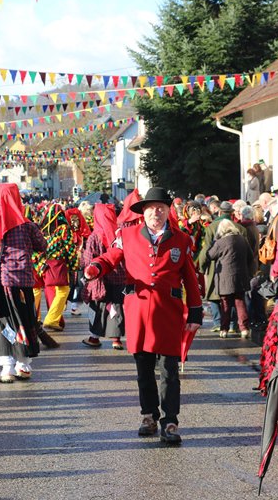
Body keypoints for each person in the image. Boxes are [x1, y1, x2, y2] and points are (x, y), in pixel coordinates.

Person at [84, 186, 202, 445]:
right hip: (138, 310)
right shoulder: (126, 235)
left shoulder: (181, 240)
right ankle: (148, 415)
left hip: (168, 313)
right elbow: (111, 257)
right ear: (143, 212)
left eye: (161, 208)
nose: (156, 213)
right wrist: (95, 267)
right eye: (151, 209)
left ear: (168, 211)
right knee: (143, 369)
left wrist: (195, 311)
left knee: (169, 370)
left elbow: (190, 279)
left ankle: (170, 421)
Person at [0, 183, 51, 384]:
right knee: (25, 319)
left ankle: (7, 367)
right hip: (22, 281)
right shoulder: (26, 225)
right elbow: (43, 246)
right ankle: (24, 362)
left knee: (3, 322)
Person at [81, 203, 126, 350]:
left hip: (99, 277)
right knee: (115, 306)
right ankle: (116, 339)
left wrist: (86, 268)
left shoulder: (94, 236)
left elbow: (88, 258)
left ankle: (94, 337)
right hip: (119, 276)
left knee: (98, 307)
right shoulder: (119, 234)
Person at [34, 204, 79, 333]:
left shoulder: (43, 230)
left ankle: (51, 318)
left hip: (46, 264)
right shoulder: (64, 228)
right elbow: (69, 247)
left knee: (55, 291)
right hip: (58, 264)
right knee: (64, 290)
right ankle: (52, 319)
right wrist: (74, 264)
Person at [205, 219, 253, 339]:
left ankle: (224, 329)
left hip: (225, 278)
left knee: (225, 304)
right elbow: (250, 257)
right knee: (240, 302)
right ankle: (244, 329)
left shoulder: (220, 242)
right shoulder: (242, 240)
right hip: (241, 276)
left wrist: (213, 243)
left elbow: (210, 255)